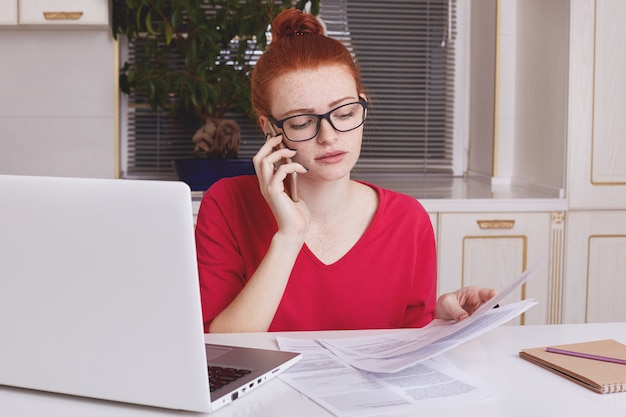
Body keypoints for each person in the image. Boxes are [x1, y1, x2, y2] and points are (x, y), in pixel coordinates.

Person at [195, 8, 496, 333]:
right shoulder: (227, 205)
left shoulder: (409, 220)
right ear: (270, 129)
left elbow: (406, 343)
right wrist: (289, 236)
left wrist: (440, 319)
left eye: (345, 113)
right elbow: (220, 350)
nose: (329, 136)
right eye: (301, 122)